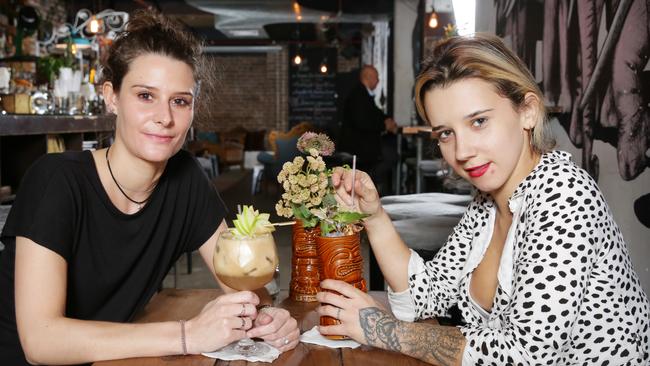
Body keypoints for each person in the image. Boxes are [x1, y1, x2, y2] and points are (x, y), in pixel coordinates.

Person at [318, 34, 650, 365]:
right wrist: (374, 217)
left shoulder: (565, 196)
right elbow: (426, 295)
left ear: (528, 112)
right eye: (446, 133)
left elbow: (524, 355)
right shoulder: (488, 202)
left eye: (479, 121)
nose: (461, 152)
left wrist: (383, 330)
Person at [0, 11, 298, 365]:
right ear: (112, 97)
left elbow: (236, 275)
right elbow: (41, 343)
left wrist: (266, 315)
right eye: (145, 96)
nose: (165, 117)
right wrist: (188, 334)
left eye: (180, 100)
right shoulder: (56, 181)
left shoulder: (185, 178)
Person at [340, 65, 398, 195]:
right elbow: (363, 122)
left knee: (390, 152)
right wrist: (385, 125)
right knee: (391, 156)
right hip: (357, 146)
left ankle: (373, 183)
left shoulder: (362, 93)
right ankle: (371, 181)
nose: (378, 81)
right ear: (368, 78)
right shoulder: (358, 95)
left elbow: (376, 113)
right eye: (376, 77)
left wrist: (387, 120)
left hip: (361, 142)